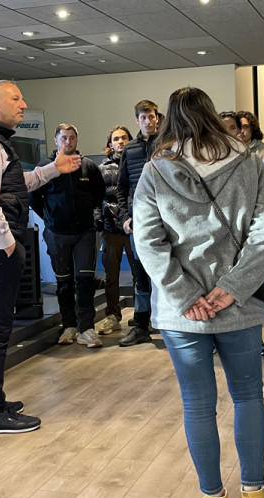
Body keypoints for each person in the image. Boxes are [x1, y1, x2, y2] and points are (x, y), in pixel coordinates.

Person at [133, 86, 264, 498]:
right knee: (248, 398)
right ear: (212, 116)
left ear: (169, 121)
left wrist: (185, 296)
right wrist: (232, 288)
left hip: (182, 313)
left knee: (197, 406)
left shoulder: (155, 171)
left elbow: (148, 241)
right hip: (237, 306)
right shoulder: (249, 161)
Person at [0, 80, 81, 434]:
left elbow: (15, 185)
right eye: (16, 99)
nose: (23, 104)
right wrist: (8, 243)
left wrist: (53, 170)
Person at [30, 124, 105, 348]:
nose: (68, 142)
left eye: (72, 138)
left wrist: (85, 215)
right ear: (56, 141)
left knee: (84, 281)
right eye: (64, 138)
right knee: (64, 283)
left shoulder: (88, 166)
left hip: (84, 233)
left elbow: (98, 194)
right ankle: (69, 326)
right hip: (57, 233)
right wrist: (51, 218)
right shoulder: (44, 167)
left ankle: (87, 329)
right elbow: (35, 199)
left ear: (77, 140)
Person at [117, 100, 159, 346]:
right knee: (141, 275)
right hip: (139, 221)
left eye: (151, 116)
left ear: (157, 117)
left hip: (165, 221)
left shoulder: (168, 145)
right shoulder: (129, 149)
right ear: (137, 120)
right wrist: (125, 217)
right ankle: (141, 326)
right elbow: (121, 188)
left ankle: (171, 323)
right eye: (143, 117)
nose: (148, 121)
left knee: (167, 272)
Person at [96, 125, 136, 335]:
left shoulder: (138, 164)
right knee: (111, 275)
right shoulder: (101, 169)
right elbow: (96, 197)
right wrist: (99, 221)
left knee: (141, 273)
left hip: (135, 228)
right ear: (110, 144)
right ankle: (112, 316)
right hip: (111, 228)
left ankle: (142, 316)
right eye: (116, 139)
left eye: (124, 138)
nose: (120, 142)